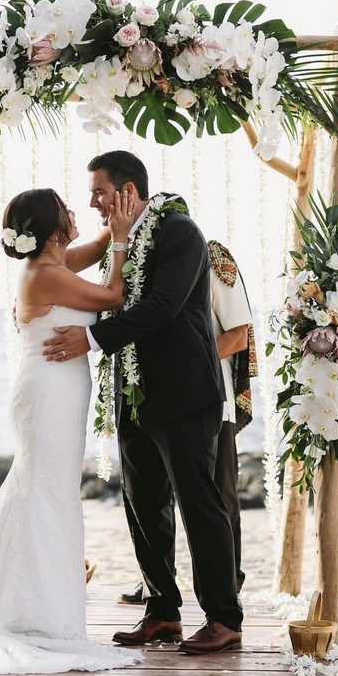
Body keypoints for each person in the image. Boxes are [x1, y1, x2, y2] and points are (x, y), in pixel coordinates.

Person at [0, 188, 140, 675]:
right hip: (49, 395)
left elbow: (95, 248)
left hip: (57, 391)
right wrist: (120, 242)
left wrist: (116, 222)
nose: (77, 213)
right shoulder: (47, 274)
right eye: (66, 211)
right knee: (47, 494)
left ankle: (32, 604)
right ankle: (34, 614)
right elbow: (116, 295)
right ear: (52, 229)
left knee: (44, 491)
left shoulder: (52, 264)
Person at [43, 151, 243, 655]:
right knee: (142, 504)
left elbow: (162, 306)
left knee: (199, 503)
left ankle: (224, 616)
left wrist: (90, 340)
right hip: (133, 394)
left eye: (100, 192)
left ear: (128, 191)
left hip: (183, 390)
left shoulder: (180, 233)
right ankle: (162, 612)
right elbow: (67, 268)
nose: (92, 202)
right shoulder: (121, 238)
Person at [118, 240, 257, 605]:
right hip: (159, 403)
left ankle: (229, 587)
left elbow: (237, 335)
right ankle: (158, 586)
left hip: (210, 398)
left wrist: (184, 365)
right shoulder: (139, 264)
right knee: (153, 497)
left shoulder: (214, 260)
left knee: (217, 496)